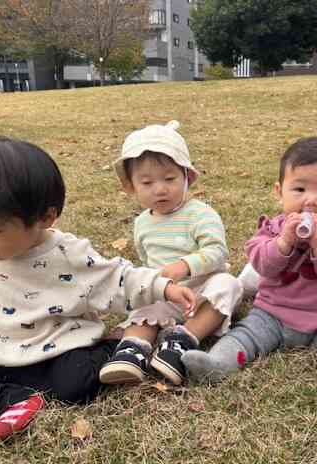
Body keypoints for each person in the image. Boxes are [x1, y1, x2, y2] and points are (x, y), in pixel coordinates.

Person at [0, 135, 196, 447]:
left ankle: (111, 346)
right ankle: (13, 400)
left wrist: (163, 287)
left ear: (45, 218)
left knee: (75, 387)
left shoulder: (66, 255)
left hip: (57, 353)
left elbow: (117, 277)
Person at [182, 136, 317, 411]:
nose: (312, 200)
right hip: (273, 312)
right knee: (246, 334)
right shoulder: (271, 229)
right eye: (299, 189)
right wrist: (282, 242)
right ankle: (219, 363)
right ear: (279, 191)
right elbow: (262, 265)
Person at [99, 120, 242, 386]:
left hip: (201, 292)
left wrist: (185, 265)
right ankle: (133, 349)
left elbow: (217, 251)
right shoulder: (142, 223)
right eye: (147, 182)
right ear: (131, 186)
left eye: (169, 179)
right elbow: (146, 261)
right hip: (165, 293)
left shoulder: (200, 214)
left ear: (187, 177)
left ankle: (181, 340)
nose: (160, 189)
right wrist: (155, 284)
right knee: (144, 298)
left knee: (229, 285)